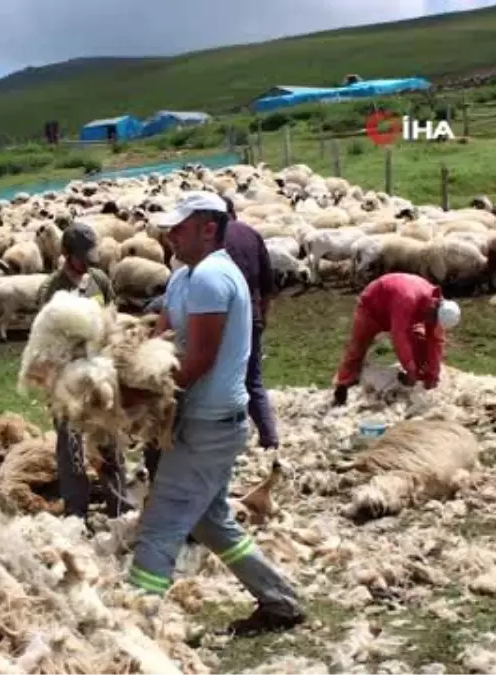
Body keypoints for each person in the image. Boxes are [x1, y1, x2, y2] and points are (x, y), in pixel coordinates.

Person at [125, 191, 305, 636]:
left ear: (209, 228)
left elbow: (201, 357)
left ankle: (132, 627)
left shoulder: (212, 277)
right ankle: (281, 601)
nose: (170, 236)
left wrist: (145, 397)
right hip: (198, 419)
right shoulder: (183, 277)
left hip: (210, 422)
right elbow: (163, 338)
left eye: (180, 228)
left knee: (160, 525)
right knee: (211, 522)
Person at [36, 221, 130, 519]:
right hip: (68, 380)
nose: (86, 266)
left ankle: (118, 506)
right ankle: (77, 512)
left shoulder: (99, 280)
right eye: (81, 259)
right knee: (72, 448)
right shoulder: (54, 290)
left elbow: (113, 315)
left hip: (102, 375)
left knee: (110, 441)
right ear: (65, 254)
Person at [331, 272, 461, 406]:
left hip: (406, 308)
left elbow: (436, 340)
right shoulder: (407, 298)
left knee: (420, 341)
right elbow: (399, 336)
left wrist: (433, 374)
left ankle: (422, 378)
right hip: (373, 307)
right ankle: (344, 384)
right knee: (358, 346)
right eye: (433, 319)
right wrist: (410, 370)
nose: (432, 322)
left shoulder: (438, 307)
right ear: (434, 309)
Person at [222, 197, 280, 449]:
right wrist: (263, 315)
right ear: (233, 212)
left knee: (224, 380)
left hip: (222, 318)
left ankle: (233, 438)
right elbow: (268, 284)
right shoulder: (251, 234)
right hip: (252, 314)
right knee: (253, 379)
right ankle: (269, 436)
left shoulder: (211, 242)